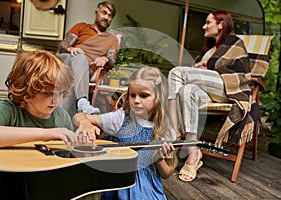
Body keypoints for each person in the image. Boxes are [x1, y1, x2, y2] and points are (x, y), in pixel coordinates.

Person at [168, 11, 253, 182]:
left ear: (221, 24)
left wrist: (208, 67)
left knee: (176, 72)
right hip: (208, 92)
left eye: (208, 22)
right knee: (187, 91)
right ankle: (193, 152)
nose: (203, 26)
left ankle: (172, 131)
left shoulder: (234, 43)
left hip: (227, 87)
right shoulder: (209, 49)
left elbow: (240, 71)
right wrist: (200, 68)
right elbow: (193, 75)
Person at [73, 66, 178, 200]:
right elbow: (79, 116)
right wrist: (85, 122)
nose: (136, 101)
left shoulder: (165, 130)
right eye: (132, 95)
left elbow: (167, 173)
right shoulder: (121, 118)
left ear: (158, 96)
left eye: (144, 95)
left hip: (147, 186)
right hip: (118, 182)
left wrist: (159, 159)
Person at [0, 51, 79, 148]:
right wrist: (46, 134)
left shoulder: (62, 116)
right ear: (26, 91)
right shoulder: (8, 109)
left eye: (61, 93)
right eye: (47, 93)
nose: (56, 100)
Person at [57, 1, 119, 116]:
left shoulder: (112, 39)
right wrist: (70, 49)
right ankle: (82, 102)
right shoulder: (82, 26)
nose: (106, 17)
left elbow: (112, 61)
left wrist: (105, 58)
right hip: (66, 60)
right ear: (96, 13)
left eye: (110, 16)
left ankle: (59, 122)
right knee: (80, 57)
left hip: (84, 69)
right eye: (104, 13)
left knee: (73, 78)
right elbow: (62, 46)